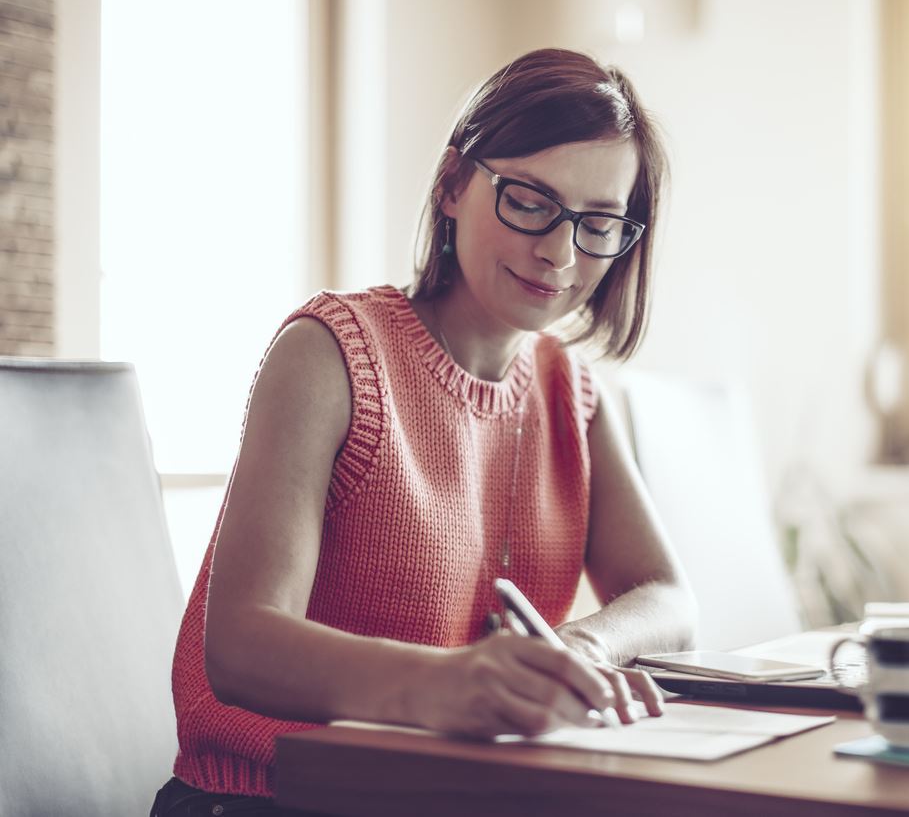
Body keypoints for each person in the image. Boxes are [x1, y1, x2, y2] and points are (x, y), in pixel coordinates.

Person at [150, 48, 697, 815]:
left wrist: (582, 646)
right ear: (451, 184)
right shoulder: (331, 351)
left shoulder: (567, 389)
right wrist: (453, 682)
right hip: (271, 800)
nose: (560, 252)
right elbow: (240, 646)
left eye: (598, 223)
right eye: (530, 202)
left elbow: (667, 597)